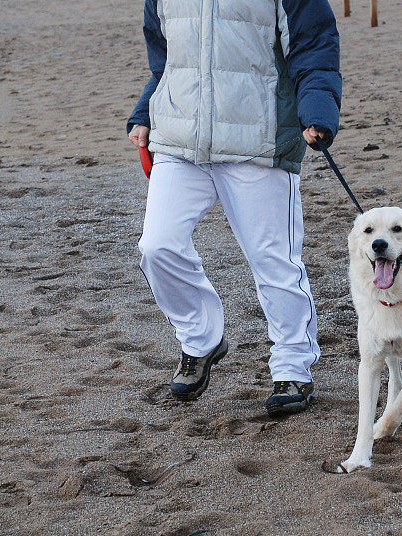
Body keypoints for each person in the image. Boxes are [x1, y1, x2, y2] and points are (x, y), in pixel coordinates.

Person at [126, 0, 341, 417]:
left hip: (258, 142)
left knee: (274, 261)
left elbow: (315, 45)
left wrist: (316, 110)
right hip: (178, 140)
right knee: (157, 247)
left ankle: (293, 367)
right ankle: (201, 340)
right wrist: (144, 112)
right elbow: (166, 60)